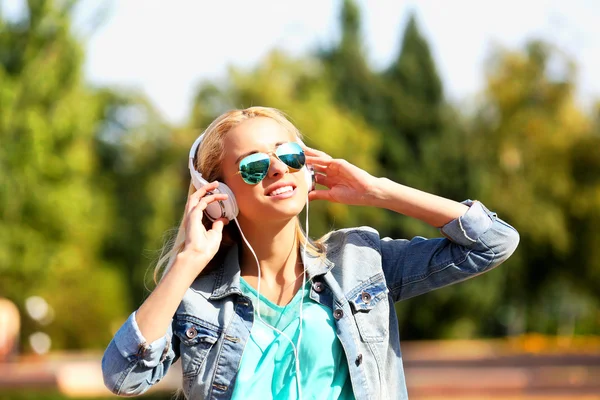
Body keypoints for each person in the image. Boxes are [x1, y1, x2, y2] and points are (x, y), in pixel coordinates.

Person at [101, 106, 519, 400]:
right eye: (253, 166)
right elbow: (123, 377)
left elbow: (493, 242)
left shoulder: (359, 261)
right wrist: (188, 261)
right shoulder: (196, 298)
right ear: (219, 194)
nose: (279, 169)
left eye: (289, 155)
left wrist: (380, 191)